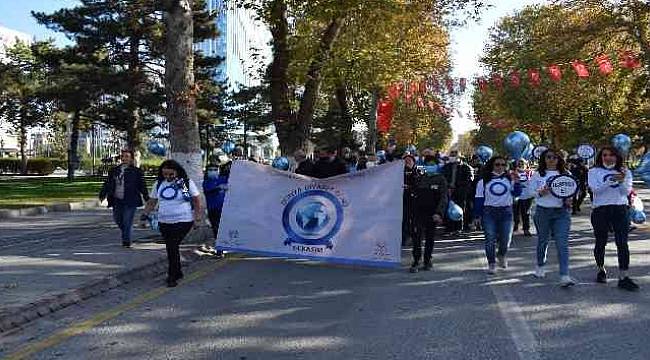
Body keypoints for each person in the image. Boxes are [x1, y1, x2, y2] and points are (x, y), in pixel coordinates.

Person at [143, 160, 202, 287]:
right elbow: (152, 202)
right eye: (165, 174)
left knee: (172, 246)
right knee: (172, 247)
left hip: (184, 220)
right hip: (164, 221)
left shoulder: (185, 183)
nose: (168, 177)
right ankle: (178, 271)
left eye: (171, 174)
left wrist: (197, 218)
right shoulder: (159, 184)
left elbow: (196, 200)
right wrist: (144, 215)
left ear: (177, 172)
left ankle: (172, 275)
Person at [588, 146, 639, 291]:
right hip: (601, 209)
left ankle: (624, 276)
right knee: (601, 241)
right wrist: (611, 180)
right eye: (605, 155)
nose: (608, 158)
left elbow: (626, 192)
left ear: (617, 157)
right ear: (601, 157)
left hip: (620, 209)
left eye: (612, 155)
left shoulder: (625, 171)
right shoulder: (593, 171)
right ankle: (601, 269)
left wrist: (622, 180)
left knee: (622, 243)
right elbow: (596, 189)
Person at [528, 149, 576, 287]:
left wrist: (569, 200)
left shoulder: (565, 174)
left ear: (560, 159)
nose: (551, 159)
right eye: (548, 157)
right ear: (543, 159)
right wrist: (541, 192)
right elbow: (531, 192)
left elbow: (572, 190)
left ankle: (564, 275)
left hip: (561, 212)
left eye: (555, 157)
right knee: (543, 240)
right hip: (543, 211)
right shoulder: (538, 175)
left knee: (562, 243)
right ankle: (540, 266)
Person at [473, 156, 521, 274]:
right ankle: (491, 263)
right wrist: (476, 216)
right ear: (492, 166)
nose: (500, 167)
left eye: (503, 165)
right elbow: (479, 199)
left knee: (506, 239)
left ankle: (502, 255)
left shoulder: (510, 178)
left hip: (506, 212)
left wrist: (517, 182)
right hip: (489, 212)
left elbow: (517, 194)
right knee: (490, 239)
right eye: (497, 165)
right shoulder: (483, 181)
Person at [99, 149, 149, 248]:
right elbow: (108, 183)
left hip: (131, 200)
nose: (124, 158)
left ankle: (126, 241)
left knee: (127, 220)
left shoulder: (136, 171)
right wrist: (103, 194)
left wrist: (147, 197)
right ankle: (127, 232)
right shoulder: (115, 170)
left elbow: (142, 185)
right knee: (118, 219)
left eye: (127, 156)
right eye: (123, 156)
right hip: (117, 199)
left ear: (131, 159)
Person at [409, 163, 448, 273]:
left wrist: (439, 213)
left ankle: (427, 260)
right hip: (418, 213)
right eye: (428, 164)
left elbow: (443, 197)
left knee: (430, 238)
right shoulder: (420, 178)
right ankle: (416, 260)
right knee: (416, 237)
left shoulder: (441, 179)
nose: (430, 167)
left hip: (432, 214)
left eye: (432, 164)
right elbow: (414, 195)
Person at [442, 150, 474, 233]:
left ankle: (459, 228)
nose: (452, 157)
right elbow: (442, 178)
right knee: (448, 209)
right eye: (451, 155)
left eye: (454, 155)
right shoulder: (446, 167)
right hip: (448, 191)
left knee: (460, 209)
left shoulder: (466, 167)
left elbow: (469, 180)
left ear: (459, 157)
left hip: (460, 192)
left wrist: (459, 187)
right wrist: (447, 187)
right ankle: (449, 228)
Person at [203, 161, 230, 257]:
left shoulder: (223, 179)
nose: (213, 171)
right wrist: (219, 187)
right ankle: (220, 249)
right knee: (216, 229)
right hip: (213, 209)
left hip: (225, 209)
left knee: (223, 229)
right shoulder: (206, 182)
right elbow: (210, 189)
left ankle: (223, 248)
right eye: (210, 170)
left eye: (215, 169)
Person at [513, 159, 533, 236]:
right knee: (515, 213)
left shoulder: (530, 173)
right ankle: (515, 226)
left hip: (527, 197)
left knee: (526, 213)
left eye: (522, 163)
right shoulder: (513, 173)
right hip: (516, 197)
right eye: (519, 163)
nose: (521, 165)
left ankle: (526, 229)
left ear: (526, 164)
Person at [402, 154, 418, 247]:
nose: (407, 162)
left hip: (414, 200)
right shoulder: (399, 172)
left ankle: (413, 238)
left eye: (409, 160)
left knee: (414, 220)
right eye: (405, 160)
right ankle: (405, 238)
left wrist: (410, 187)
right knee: (405, 220)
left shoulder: (419, 171)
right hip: (403, 200)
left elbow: (420, 184)